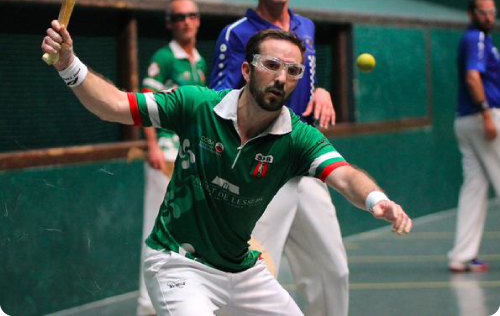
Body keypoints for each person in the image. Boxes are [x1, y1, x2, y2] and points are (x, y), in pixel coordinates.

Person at [42, 23, 412, 316]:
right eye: (272, 65)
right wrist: (69, 64)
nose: (281, 77)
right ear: (247, 69)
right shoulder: (198, 105)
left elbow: (343, 174)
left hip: (241, 271)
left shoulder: (298, 137)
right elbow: (114, 105)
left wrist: (375, 199)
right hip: (178, 263)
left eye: (293, 70)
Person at [210, 0, 346, 316]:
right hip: (259, 168)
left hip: (303, 159)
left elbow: (300, 82)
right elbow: (219, 102)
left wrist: (320, 90)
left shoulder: (306, 28)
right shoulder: (236, 34)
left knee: (333, 270)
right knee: (255, 274)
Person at [137, 0, 206, 316]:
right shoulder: (163, 58)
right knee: (155, 229)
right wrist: (152, 146)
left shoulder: (199, 61)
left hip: (188, 159)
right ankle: (147, 306)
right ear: (170, 23)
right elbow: (144, 102)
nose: (186, 21)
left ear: (198, 20)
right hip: (163, 156)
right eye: (179, 17)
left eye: (191, 15)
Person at [448, 0, 500, 273]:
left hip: (466, 122)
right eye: (483, 12)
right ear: (471, 14)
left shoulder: (480, 40)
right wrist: (486, 114)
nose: (488, 17)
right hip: (483, 119)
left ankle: (461, 255)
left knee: (474, 188)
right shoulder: (476, 39)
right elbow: (472, 76)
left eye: (492, 12)